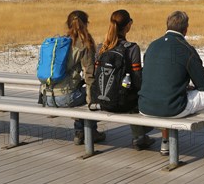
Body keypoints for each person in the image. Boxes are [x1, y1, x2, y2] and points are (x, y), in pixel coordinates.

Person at [139, 11, 204, 159]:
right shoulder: (185, 48)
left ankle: (165, 142)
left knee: (164, 92)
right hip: (173, 107)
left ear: (167, 25)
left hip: (145, 106)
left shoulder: (152, 46)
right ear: (186, 29)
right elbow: (203, 85)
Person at [41, 10, 105, 145]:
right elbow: (89, 75)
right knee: (91, 93)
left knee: (78, 91)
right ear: (86, 24)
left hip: (47, 97)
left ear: (68, 24)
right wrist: (91, 101)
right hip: (65, 98)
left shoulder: (60, 42)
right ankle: (88, 132)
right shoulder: (84, 44)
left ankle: (79, 132)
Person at [96, 9, 155, 150]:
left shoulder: (101, 48)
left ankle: (140, 136)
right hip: (124, 103)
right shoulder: (132, 48)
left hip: (103, 101)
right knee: (138, 95)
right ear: (128, 25)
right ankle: (139, 136)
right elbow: (137, 80)